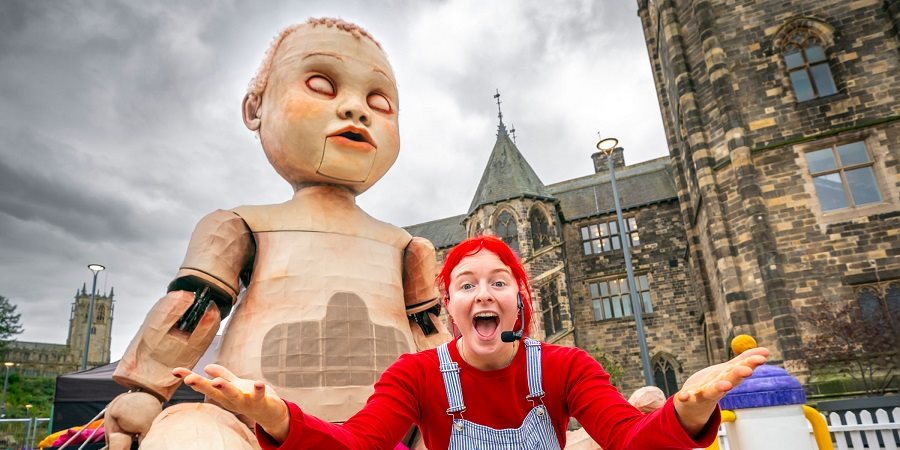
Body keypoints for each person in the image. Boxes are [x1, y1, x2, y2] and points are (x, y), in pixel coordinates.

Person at [105, 18, 451, 449]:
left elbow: (432, 337)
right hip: (249, 427)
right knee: (189, 433)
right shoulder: (240, 226)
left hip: (391, 433)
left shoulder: (406, 247)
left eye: (378, 101)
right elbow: (193, 307)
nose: (355, 109)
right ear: (255, 109)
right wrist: (147, 389)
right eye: (322, 85)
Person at [176, 235, 769, 449]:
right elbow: (356, 444)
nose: (483, 294)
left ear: (519, 300)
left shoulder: (566, 367)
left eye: (498, 282)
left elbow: (627, 438)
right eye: (466, 285)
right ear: (451, 307)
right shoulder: (415, 374)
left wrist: (686, 414)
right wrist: (277, 416)